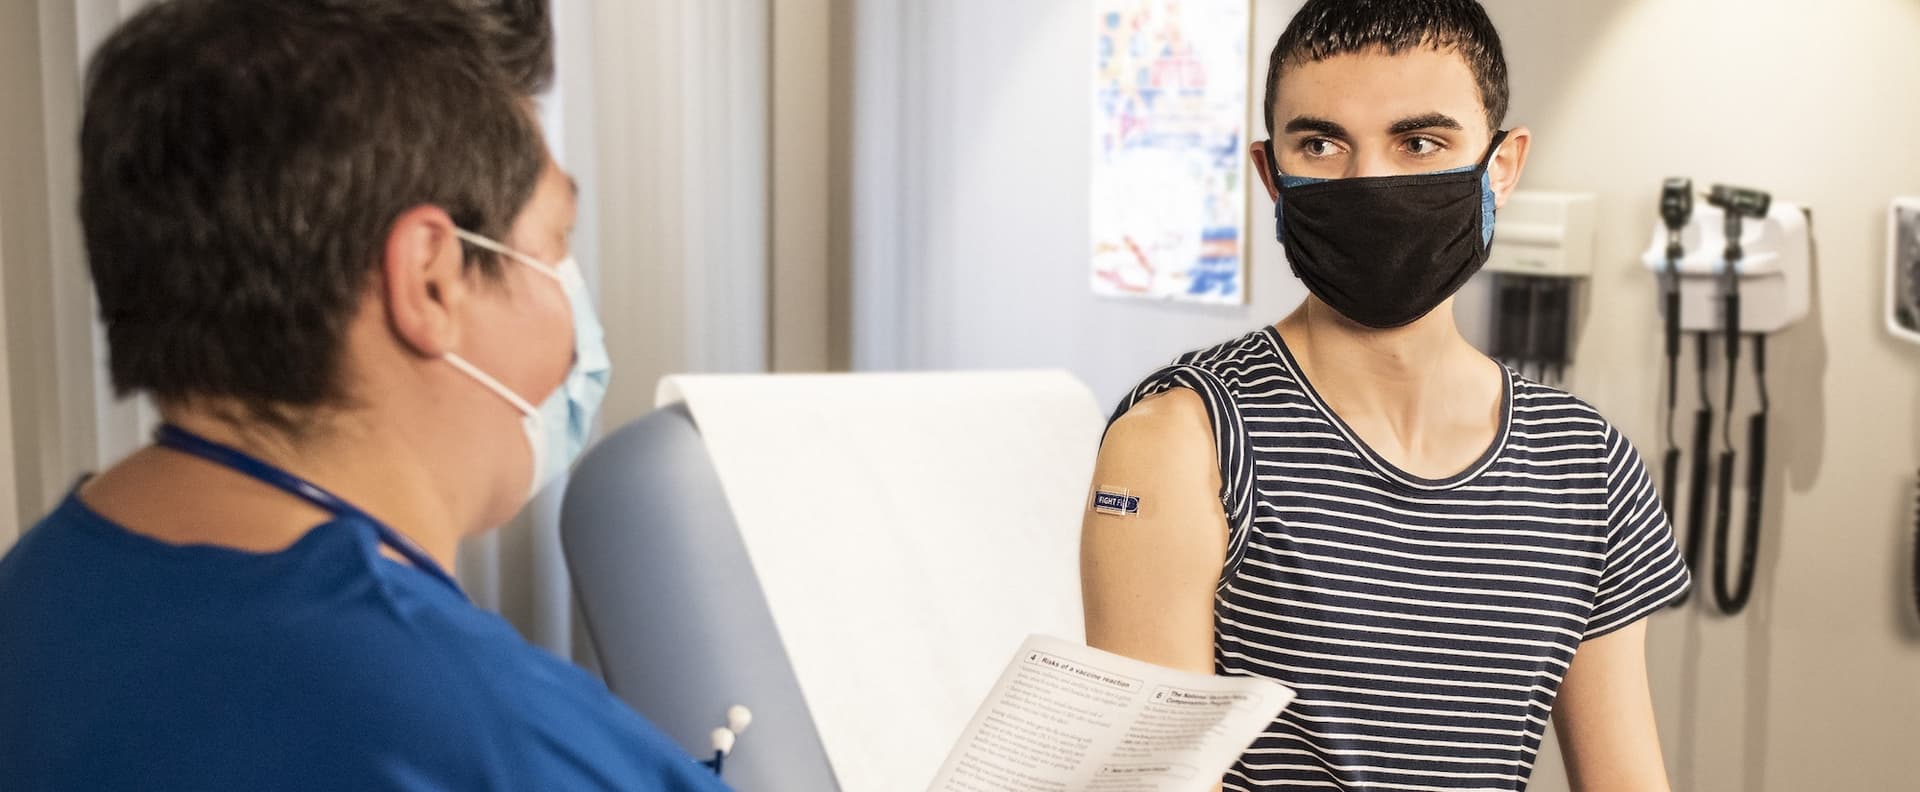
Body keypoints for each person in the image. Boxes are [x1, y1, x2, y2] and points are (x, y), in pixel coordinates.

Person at [0, 1, 726, 789]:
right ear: (430, 282)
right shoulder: (489, 740)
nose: (573, 308)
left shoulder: (32, 602)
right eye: (556, 242)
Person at [1080, 1, 1689, 790]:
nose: (1370, 183)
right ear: (1274, 176)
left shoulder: (1589, 466)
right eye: (1323, 144)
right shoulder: (1178, 440)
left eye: (1419, 142)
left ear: (1502, 165)